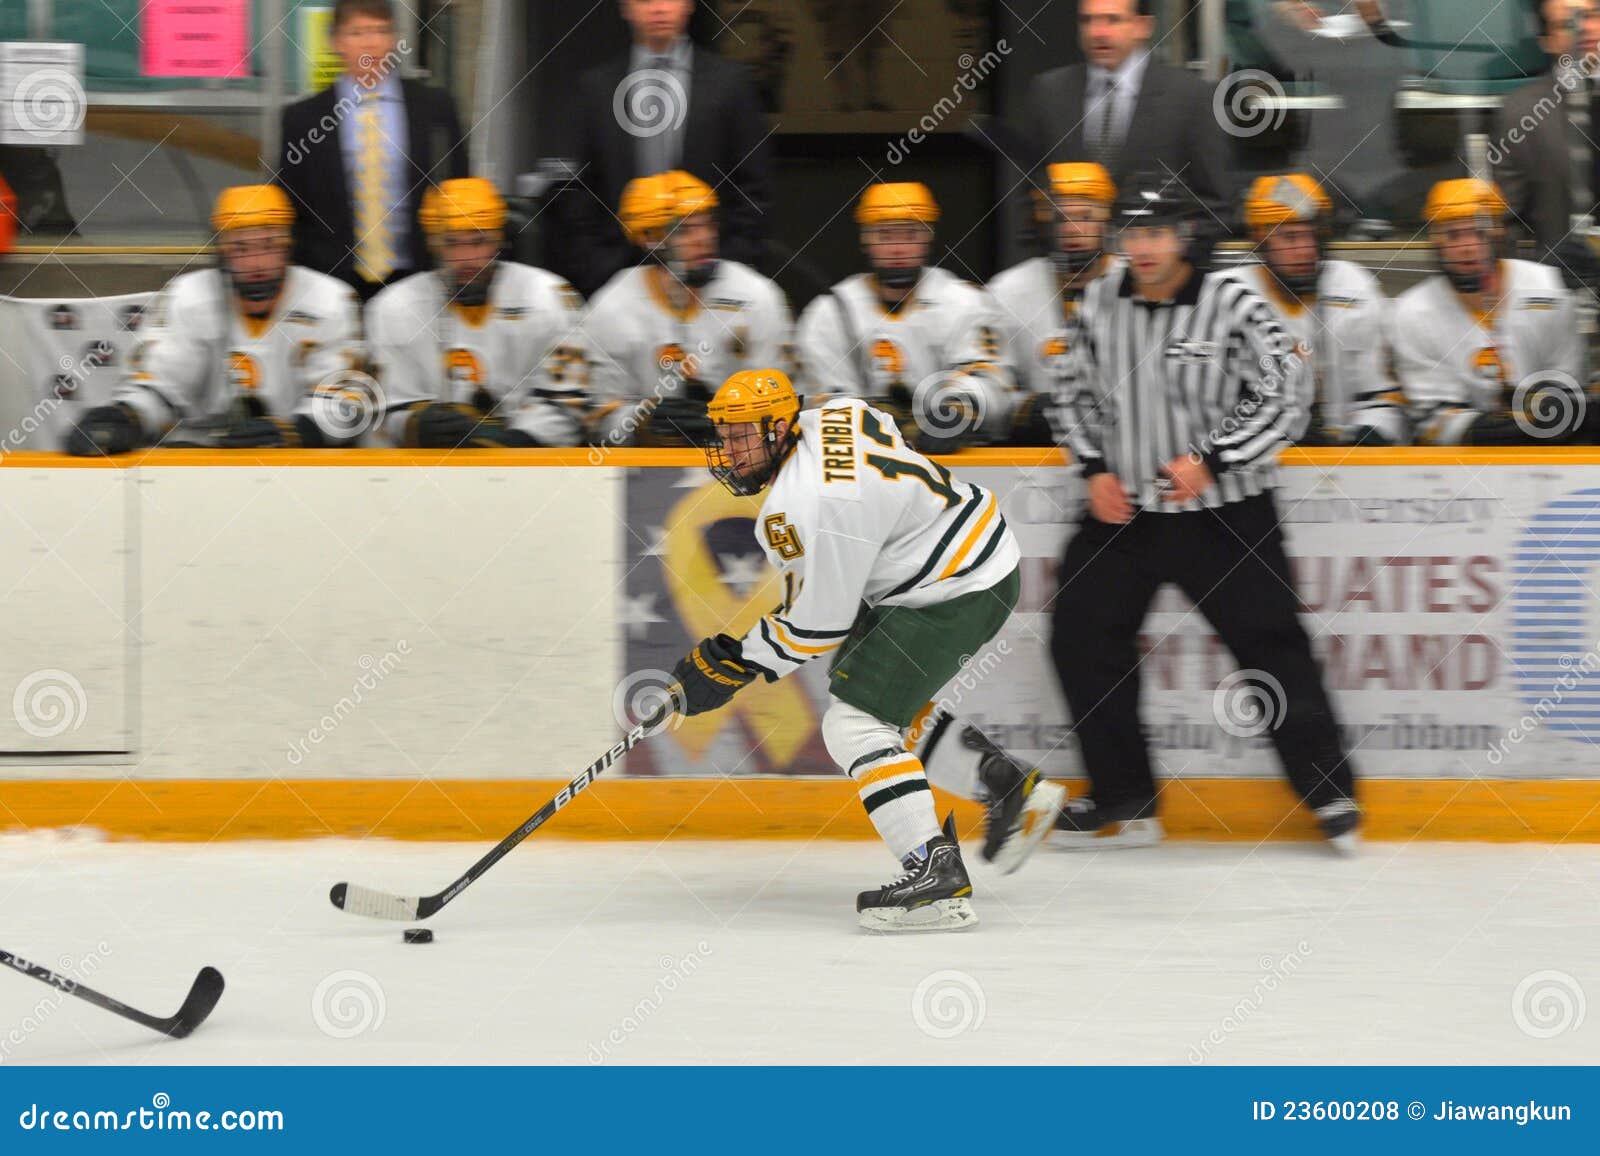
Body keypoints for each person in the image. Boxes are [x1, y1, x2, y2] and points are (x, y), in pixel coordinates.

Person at [661, 368, 1065, 932]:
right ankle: (1003, 782)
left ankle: (934, 876)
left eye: (740, 435)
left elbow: (818, 625)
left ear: (779, 427)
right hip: (968, 551)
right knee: (871, 695)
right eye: (724, 435)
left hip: (951, 586)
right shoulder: (834, 414)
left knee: (853, 725)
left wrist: (735, 660)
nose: (727, 451)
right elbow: (880, 430)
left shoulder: (797, 509)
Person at [1048, 174, 1360, 853]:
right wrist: (1093, 468)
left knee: (1272, 645)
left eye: (1157, 232)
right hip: (1124, 513)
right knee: (1079, 634)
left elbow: (1286, 393)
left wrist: (1214, 458)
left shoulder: (1231, 302)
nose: (1145, 247)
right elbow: (1067, 391)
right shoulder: (1099, 300)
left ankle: (1331, 791)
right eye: (1133, 233)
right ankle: (1125, 798)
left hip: (1226, 514)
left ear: (1184, 235)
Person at [64, 186, 364, 455]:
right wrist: (127, 417)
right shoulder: (186, 296)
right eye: (241, 249)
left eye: (269, 246)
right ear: (221, 251)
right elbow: (159, 387)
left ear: (289, 246)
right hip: (200, 459)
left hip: (297, 463)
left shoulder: (331, 301)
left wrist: (294, 433)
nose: (257, 264)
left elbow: (348, 403)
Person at [796, 182, 1027, 453]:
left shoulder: (965, 302)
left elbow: (993, 378)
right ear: (865, 239)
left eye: (909, 235)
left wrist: (958, 408)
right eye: (885, 236)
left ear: (928, 236)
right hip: (861, 464)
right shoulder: (829, 312)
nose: (897, 249)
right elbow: (820, 401)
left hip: (955, 463)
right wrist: (875, 423)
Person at [367, 178, 591, 448]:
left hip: (530, 472)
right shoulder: (393, 307)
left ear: (498, 239)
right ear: (433, 244)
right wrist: (414, 426)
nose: (468, 259)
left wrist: (507, 445)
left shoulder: (551, 297)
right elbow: (380, 415)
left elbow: (569, 406)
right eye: (452, 243)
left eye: (479, 241)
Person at [569, 0, 772, 297]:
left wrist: (731, 264)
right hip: (621, 276)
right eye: (645, 0)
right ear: (625, 7)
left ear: (689, 4)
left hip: (712, 273)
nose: (659, 9)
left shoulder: (731, 84)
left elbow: (755, 186)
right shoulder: (597, 88)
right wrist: (599, 267)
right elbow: (581, 188)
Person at [584, 171, 793, 448]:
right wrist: (645, 422)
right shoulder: (611, 306)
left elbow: (784, 405)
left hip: (746, 462)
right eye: (683, 229)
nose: (704, 238)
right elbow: (597, 419)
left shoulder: (757, 297)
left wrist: (729, 423)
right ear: (649, 238)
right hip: (645, 471)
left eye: (707, 224)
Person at [276, 0, 468, 301]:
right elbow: (290, 207)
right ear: (336, 42)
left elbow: (460, 188)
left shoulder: (434, 108)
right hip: (332, 285)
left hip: (421, 281)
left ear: (393, 40)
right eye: (358, 32)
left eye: (381, 31)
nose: (371, 43)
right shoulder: (304, 118)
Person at [1393, 178, 1589, 445]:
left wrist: (1549, 410)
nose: (1468, 247)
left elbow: (1570, 385)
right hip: (1458, 470)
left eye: (1479, 232)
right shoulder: (1410, 312)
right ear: (1435, 240)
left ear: (1499, 234)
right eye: (1453, 235)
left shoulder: (1550, 289)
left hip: (1552, 457)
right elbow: (1433, 420)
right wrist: (1500, 429)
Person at [1020, 0, 1235, 230]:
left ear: (1143, 26)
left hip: (1156, 260)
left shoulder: (1189, 96)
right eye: (1087, 20)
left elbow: (1217, 202)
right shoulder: (1049, 92)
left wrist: (1174, 253)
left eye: (1113, 20)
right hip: (1071, 261)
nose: (1097, 33)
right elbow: (1029, 194)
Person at [1236, 173, 1405, 445]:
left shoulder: (1354, 287)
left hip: (1341, 460)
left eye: (1311, 236)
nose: (1304, 250)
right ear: (1260, 238)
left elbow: (1381, 397)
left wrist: (1369, 436)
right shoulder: (1226, 296)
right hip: (1254, 464)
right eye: (1289, 238)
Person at [989, 163, 1118, 398]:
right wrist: (1025, 408)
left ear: (1106, 221)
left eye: (1085, 217)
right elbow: (994, 379)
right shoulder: (1007, 291)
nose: (1073, 229)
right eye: (1061, 218)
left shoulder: (1136, 282)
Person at [1492, 0, 1600, 260]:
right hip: (1562, 280)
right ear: (1547, 41)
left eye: (1591, 15)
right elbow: (1506, 219)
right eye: (1566, 24)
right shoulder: (1522, 111)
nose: (1583, 28)